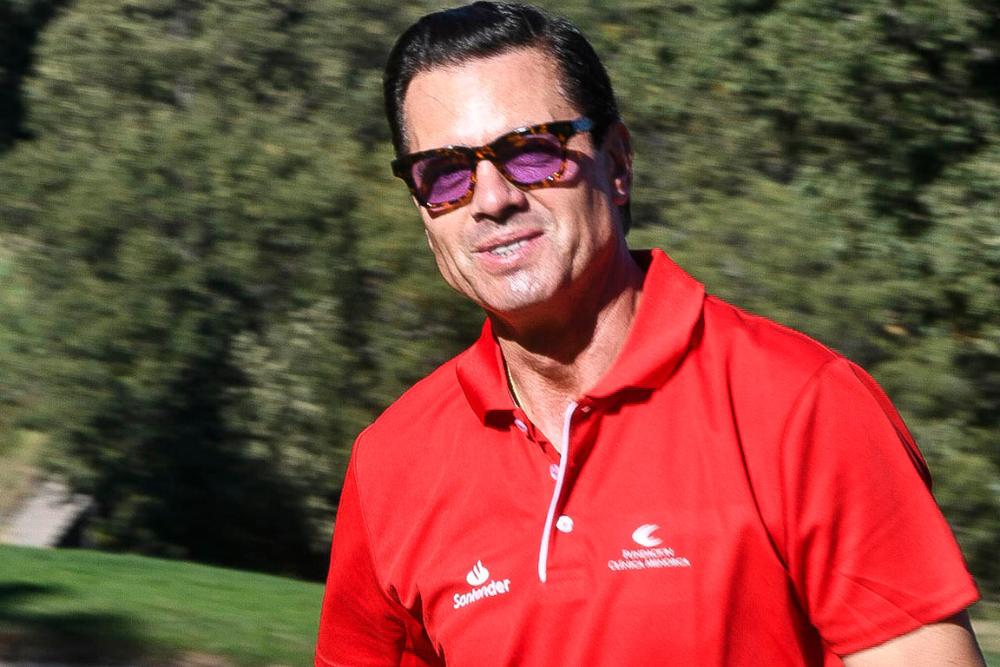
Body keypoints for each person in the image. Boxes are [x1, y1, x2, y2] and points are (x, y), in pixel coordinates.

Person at [315, 3, 985, 665]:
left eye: (533, 153)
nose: (491, 199)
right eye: (445, 173)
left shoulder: (804, 403)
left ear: (617, 162)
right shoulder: (390, 463)